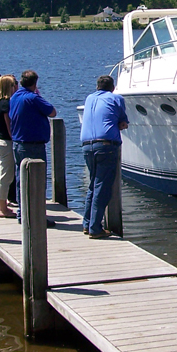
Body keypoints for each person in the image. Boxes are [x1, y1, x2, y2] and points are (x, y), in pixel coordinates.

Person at [80, 75, 129, 239]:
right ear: (112, 88)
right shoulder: (116, 98)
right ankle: (95, 228)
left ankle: (87, 224)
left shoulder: (89, 98)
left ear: (97, 87)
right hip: (106, 146)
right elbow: (123, 123)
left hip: (87, 145)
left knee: (93, 184)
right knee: (102, 187)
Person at [8, 69, 56, 217]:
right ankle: (37, 216)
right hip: (33, 145)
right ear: (35, 83)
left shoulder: (14, 97)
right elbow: (52, 112)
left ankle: (22, 213)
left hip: (18, 144)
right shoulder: (33, 98)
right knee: (37, 181)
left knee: (21, 180)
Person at [0, 75, 17, 218]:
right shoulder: (6, 103)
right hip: (5, 143)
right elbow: (8, 124)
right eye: (12, 85)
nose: (14, 88)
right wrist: (14, 138)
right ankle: (3, 209)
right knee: (6, 177)